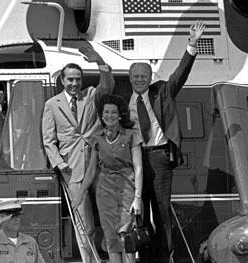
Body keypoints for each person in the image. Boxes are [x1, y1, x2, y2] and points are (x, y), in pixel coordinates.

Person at [122, 20, 206, 263]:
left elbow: (181, 74)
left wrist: (192, 43)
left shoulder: (163, 92)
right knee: (139, 213)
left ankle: (164, 257)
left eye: (144, 76)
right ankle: (145, 257)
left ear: (150, 77)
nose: (139, 80)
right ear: (129, 78)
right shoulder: (122, 103)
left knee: (161, 212)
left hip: (159, 157)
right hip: (135, 161)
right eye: (135, 76)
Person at [42, 44, 114, 263]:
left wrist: (98, 60)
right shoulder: (51, 105)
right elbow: (48, 140)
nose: (74, 83)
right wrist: (58, 163)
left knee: (110, 217)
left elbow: (108, 84)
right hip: (72, 170)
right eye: (70, 79)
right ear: (62, 81)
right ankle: (90, 260)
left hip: (98, 165)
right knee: (85, 225)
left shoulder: (91, 95)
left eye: (78, 79)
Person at [72, 94, 143, 263]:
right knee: (111, 235)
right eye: (106, 112)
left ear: (119, 115)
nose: (109, 116)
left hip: (127, 187)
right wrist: (80, 193)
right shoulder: (97, 139)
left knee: (125, 233)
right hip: (105, 191)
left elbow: (139, 168)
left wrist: (138, 198)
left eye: (113, 112)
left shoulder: (131, 136)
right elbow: (91, 171)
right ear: (102, 115)